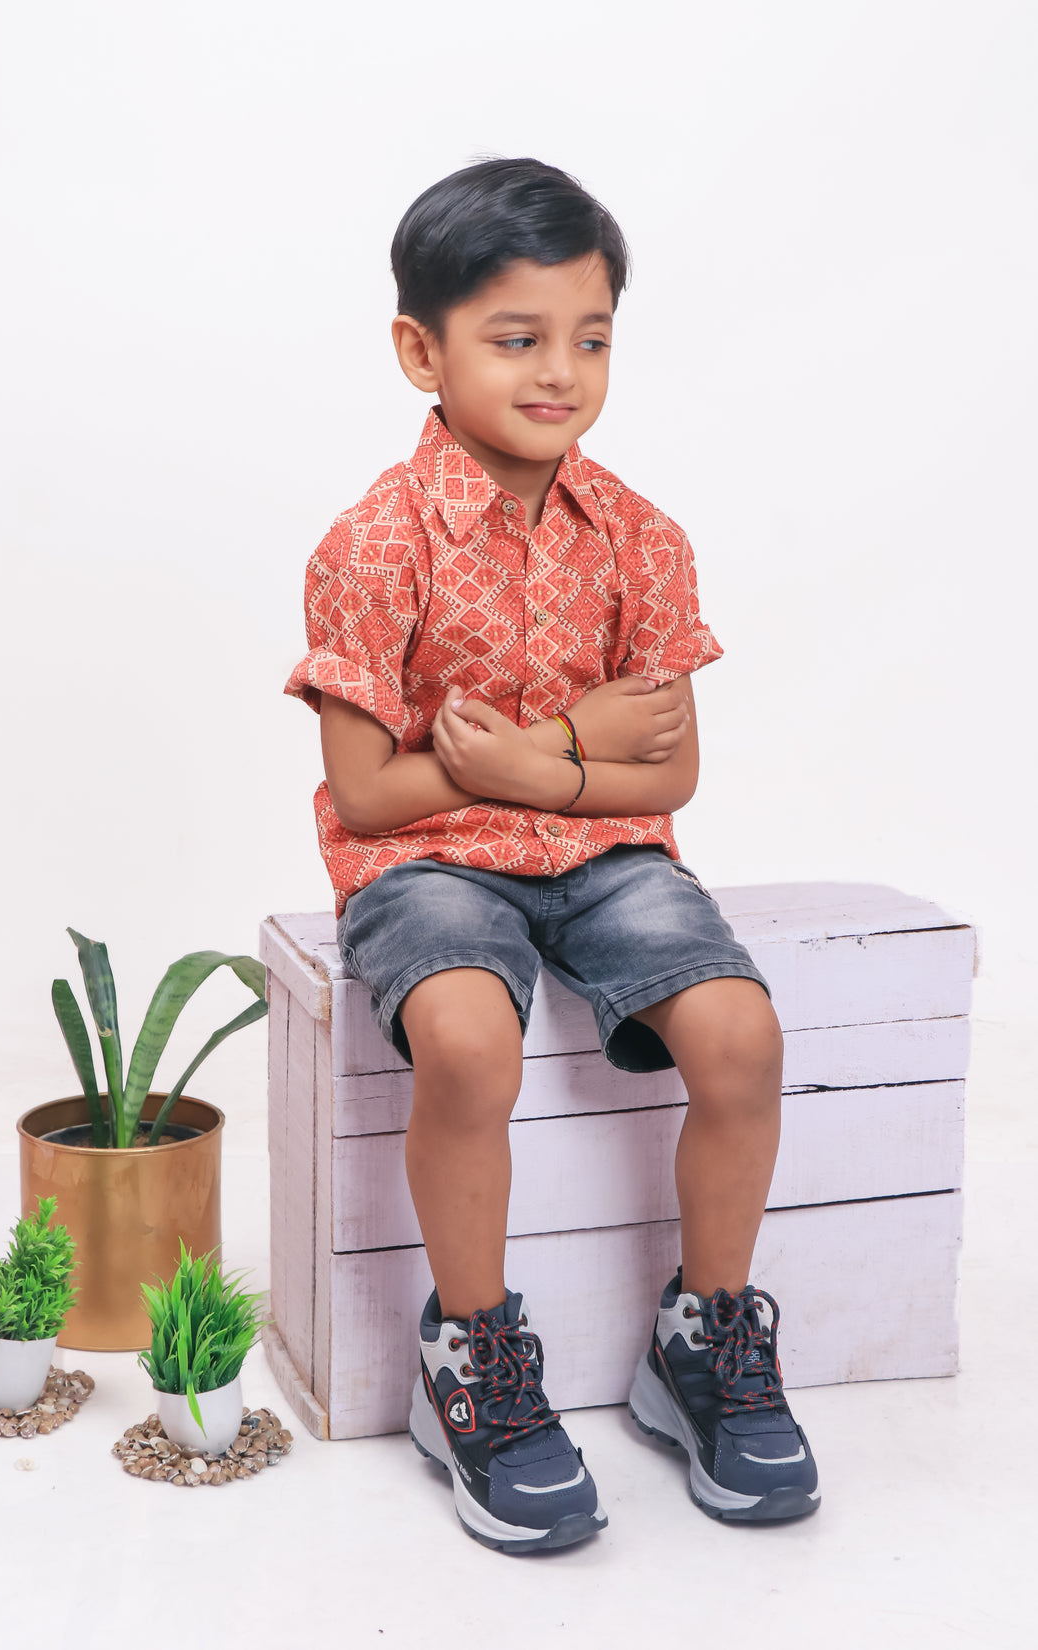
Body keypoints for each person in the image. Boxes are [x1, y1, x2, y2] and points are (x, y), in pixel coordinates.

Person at [285, 157, 820, 1552]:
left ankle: (702, 1336)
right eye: (516, 338)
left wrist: (542, 764)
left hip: (605, 849)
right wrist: (563, 745)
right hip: (436, 861)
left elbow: (674, 770)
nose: (560, 372)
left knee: (742, 1034)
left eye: (590, 339)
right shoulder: (370, 544)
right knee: (468, 1043)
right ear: (424, 347)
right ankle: (470, 1349)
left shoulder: (643, 538)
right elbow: (368, 788)